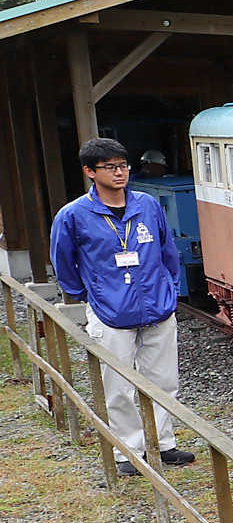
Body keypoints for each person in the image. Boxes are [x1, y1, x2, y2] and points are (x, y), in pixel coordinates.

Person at [50, 138, 194, 476]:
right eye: (110, 167)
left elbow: (167, 249)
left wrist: (170, 290)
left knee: (163, 380)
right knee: (117, 386)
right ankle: (128, 450)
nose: (120, 173)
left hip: (157, 307)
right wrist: (88, 294)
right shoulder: (73, 215)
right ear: (90, 171)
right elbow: (63, 261)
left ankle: (163, 442)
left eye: (123, 165)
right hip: (110, 311)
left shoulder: (147, 205)